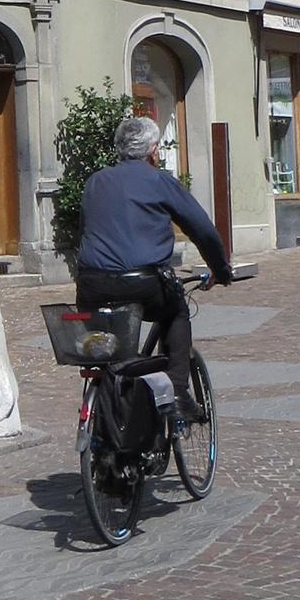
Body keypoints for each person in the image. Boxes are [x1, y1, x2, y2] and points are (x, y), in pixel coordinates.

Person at [73, 113, 232, 417]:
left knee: (114, 351)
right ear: (153, 151)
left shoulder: (95, 182)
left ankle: (111, 412)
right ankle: (178, 391)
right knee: (177, 311)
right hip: (143, 284)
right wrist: (220, 269)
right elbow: (202, 229)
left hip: (93, 285)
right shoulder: (159, 181)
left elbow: (83, 232)